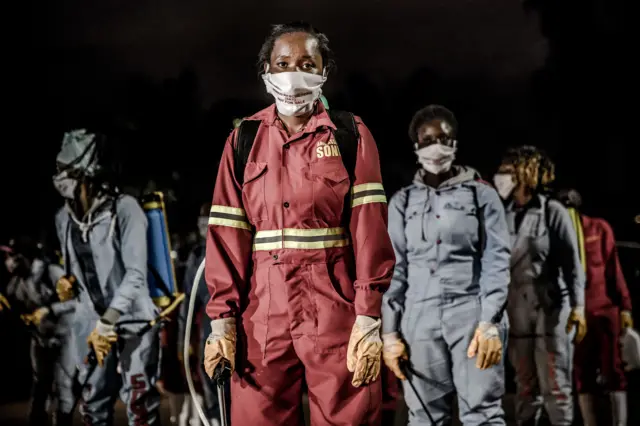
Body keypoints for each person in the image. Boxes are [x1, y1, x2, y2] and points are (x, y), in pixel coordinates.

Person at [202, 21, 395, 425]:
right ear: (267, 71)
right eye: (283, 62)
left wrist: (368, 316)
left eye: (307, 63)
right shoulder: (243, 140)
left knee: (350, 418)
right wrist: (222, 321)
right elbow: (226, 237)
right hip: (262, 317)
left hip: (336, 309)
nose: (294, 72)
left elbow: (369, 230)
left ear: (324, 72)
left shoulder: (350, 135)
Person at [382, 105, 511, 425]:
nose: (435, 146)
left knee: (482, 414)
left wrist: (490, 322)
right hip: (418, 321)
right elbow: (395, 270)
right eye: (427, 140)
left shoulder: (482, 195)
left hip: (472, 317)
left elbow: (496, 259)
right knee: (424, 416)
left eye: (443, 138)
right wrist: (389, 333)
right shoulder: (402, 201)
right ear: (415, 146)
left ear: (455, 143)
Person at [52, 128, 161, 425]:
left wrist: (108, 320)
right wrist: (67, 284)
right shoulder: (64, 218)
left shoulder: (124, 209)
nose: (59, 177)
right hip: (91, 324)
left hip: (134, 322)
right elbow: (75, 272)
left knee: (139, 405)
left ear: (86, 171)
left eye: (66, 170)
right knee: (93, 405)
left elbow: (136, 275)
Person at [493, 146, 586, 426]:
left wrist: (579, 307)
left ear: (525, 173)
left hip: (550, 308)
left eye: (509, 172)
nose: (501, 177)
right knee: (524, 386)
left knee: (555, 386)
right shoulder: (502, 213)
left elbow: (572, 264)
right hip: (516, 309)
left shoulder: (552, 211)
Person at [557, 188, 633, 426]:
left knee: (614, 372)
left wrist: (625, 307)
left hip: (604, 312)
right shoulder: (555, 234)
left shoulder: (598, 229)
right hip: (574, 316)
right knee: (582, 374)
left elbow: (614, 270)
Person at [2, 236, 74, 426]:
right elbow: (12, 305)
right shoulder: (18, 280)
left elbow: (77, 302)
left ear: (25, 256)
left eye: (12, 256)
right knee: (40, 382)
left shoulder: (52, 272)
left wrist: (49, 310)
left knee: (62, 386)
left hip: (65, 335)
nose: (8, 261)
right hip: (40, 337)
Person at [177, 203, 223, 426]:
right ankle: (214, 417)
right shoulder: (197, 256)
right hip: (208, 323)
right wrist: (182, 341)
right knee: (209, 374)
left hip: (232, 321)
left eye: (207, 224)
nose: (203, 229)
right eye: (200, 224)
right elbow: (188, 299)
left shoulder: (228, 251)